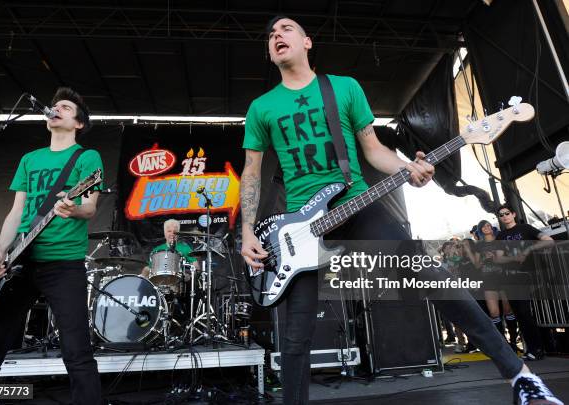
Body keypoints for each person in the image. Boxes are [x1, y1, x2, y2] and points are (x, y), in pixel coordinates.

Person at [239, 16, 563, 405]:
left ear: (307, 42)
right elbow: (252, 171)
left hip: (355, 203)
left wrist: (408, 169)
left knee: (432, 276)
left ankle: (522, 379)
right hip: (299, 230)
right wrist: (246, 232)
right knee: (296, 333)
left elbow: (373, 150)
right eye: (271, 34)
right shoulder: (262, 107)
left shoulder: (343, 88)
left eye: (286, 29)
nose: (277, 36)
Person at [0, 88, 103, 404]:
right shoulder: (29, 159)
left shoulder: (87, 158)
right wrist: (0, 251)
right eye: (54, 105)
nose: (56, 108)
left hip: (63, 264)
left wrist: (74, 208)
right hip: (21, 262)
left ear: (78, 123)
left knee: (76, 349)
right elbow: (16, 212)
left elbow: (90, 205)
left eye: (66, 107)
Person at [495, 204, 554, 361]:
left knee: (527, 312)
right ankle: (533, 349)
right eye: (501, 215)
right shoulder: (500, 236)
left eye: (507, 213)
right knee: (520, 314)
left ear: (513, 214)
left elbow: (549, 241)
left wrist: (529, 249)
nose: (505, 216)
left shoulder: (526, 228)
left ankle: (538, 348)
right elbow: (498, 258)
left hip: (528, 276)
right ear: (499, 218)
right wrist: (514, 258)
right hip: (510, 277)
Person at [467, 220, 520, 351]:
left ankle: (513, 342)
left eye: (488, 225)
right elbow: (477, 265)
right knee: (494, 312)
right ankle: (503, 344)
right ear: (480, 230)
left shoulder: (500, 239)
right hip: (488, 280)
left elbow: (508, 257)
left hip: (503, 277)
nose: (487, 227)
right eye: (484, 226)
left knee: (508, 310)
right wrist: (484, 258)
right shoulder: (479, 246)